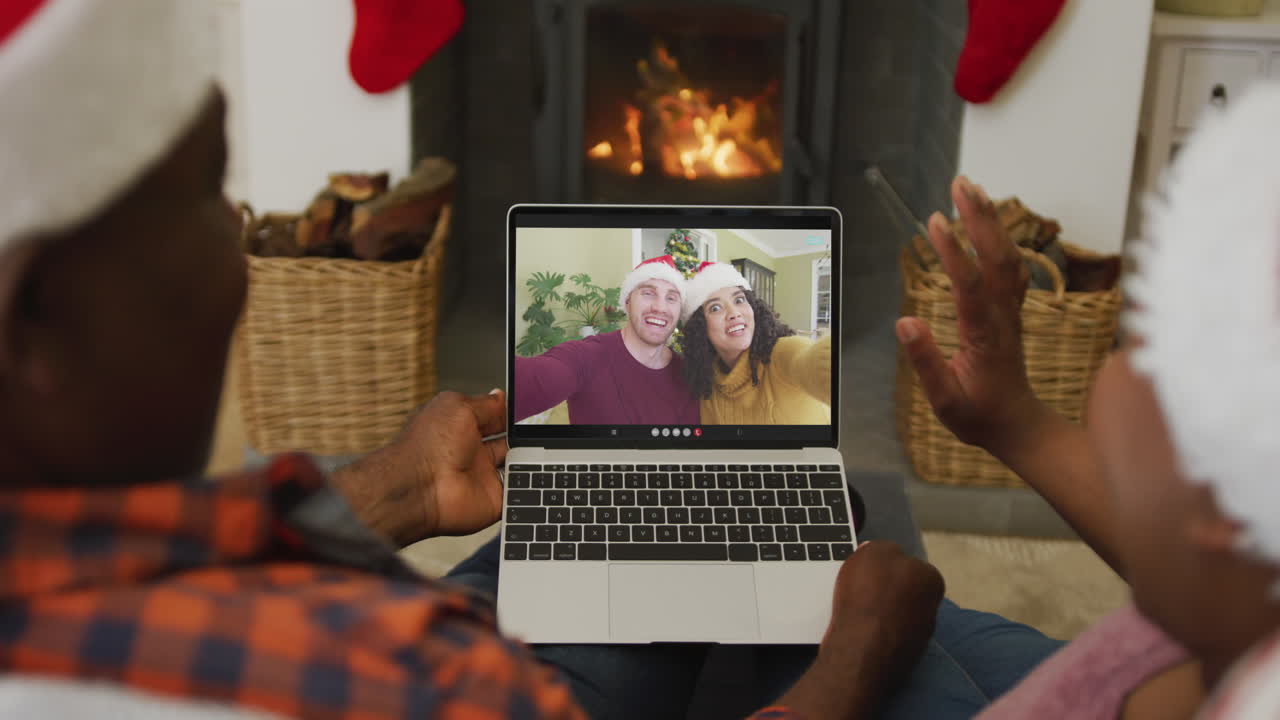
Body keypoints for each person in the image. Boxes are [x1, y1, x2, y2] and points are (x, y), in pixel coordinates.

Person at [0, 1, 951, 718]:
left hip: (630, 506)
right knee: (904, 633)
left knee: (646, 549)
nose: (242, 253)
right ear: (35, 311)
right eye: (213, 187)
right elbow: (526, 389)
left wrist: (406, 488)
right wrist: (850, 665)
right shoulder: (425, 678)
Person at [895, 85, 1280, 719]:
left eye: (1143, 333)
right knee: (928, 616)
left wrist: (846, 658)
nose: (1116, 363)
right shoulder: (1236, 602)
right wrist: (1017, 422)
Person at [513, 254, 700, 425]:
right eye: (648, 293)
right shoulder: (586, 356)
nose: (660, 307)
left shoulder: (689, 377)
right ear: (627, 302)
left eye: (671, 298)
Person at [679, 261, 832, 425]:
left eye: (739, 300)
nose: (734, 313)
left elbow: (812, 362)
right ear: (701, 327)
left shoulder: (782, 352)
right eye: (715, 308)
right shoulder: (707, 384)